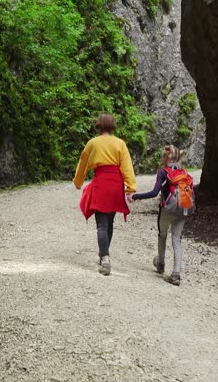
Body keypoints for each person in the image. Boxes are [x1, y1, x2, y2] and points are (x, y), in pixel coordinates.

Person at [74, 113, 137, 276]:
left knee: (101, 224)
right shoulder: (120, 144)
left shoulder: (92, 143)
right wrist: (130, 188)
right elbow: (127, 167)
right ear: (113, 126)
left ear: (99, 126)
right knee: (109, 222)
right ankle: (104, 254)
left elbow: (83, 163)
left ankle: (105, 257)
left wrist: (78, 182)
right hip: (116, 184)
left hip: (101, 183)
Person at [128, 145, 186, 286]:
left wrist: (135, 196)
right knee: (177, 240)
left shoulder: (163, 172)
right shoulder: (183, 172)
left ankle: (160, 263)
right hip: (183, 209)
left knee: (162, 235)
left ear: (166, 158)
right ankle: (176, 274)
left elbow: (154, 193)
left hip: (167, 210)